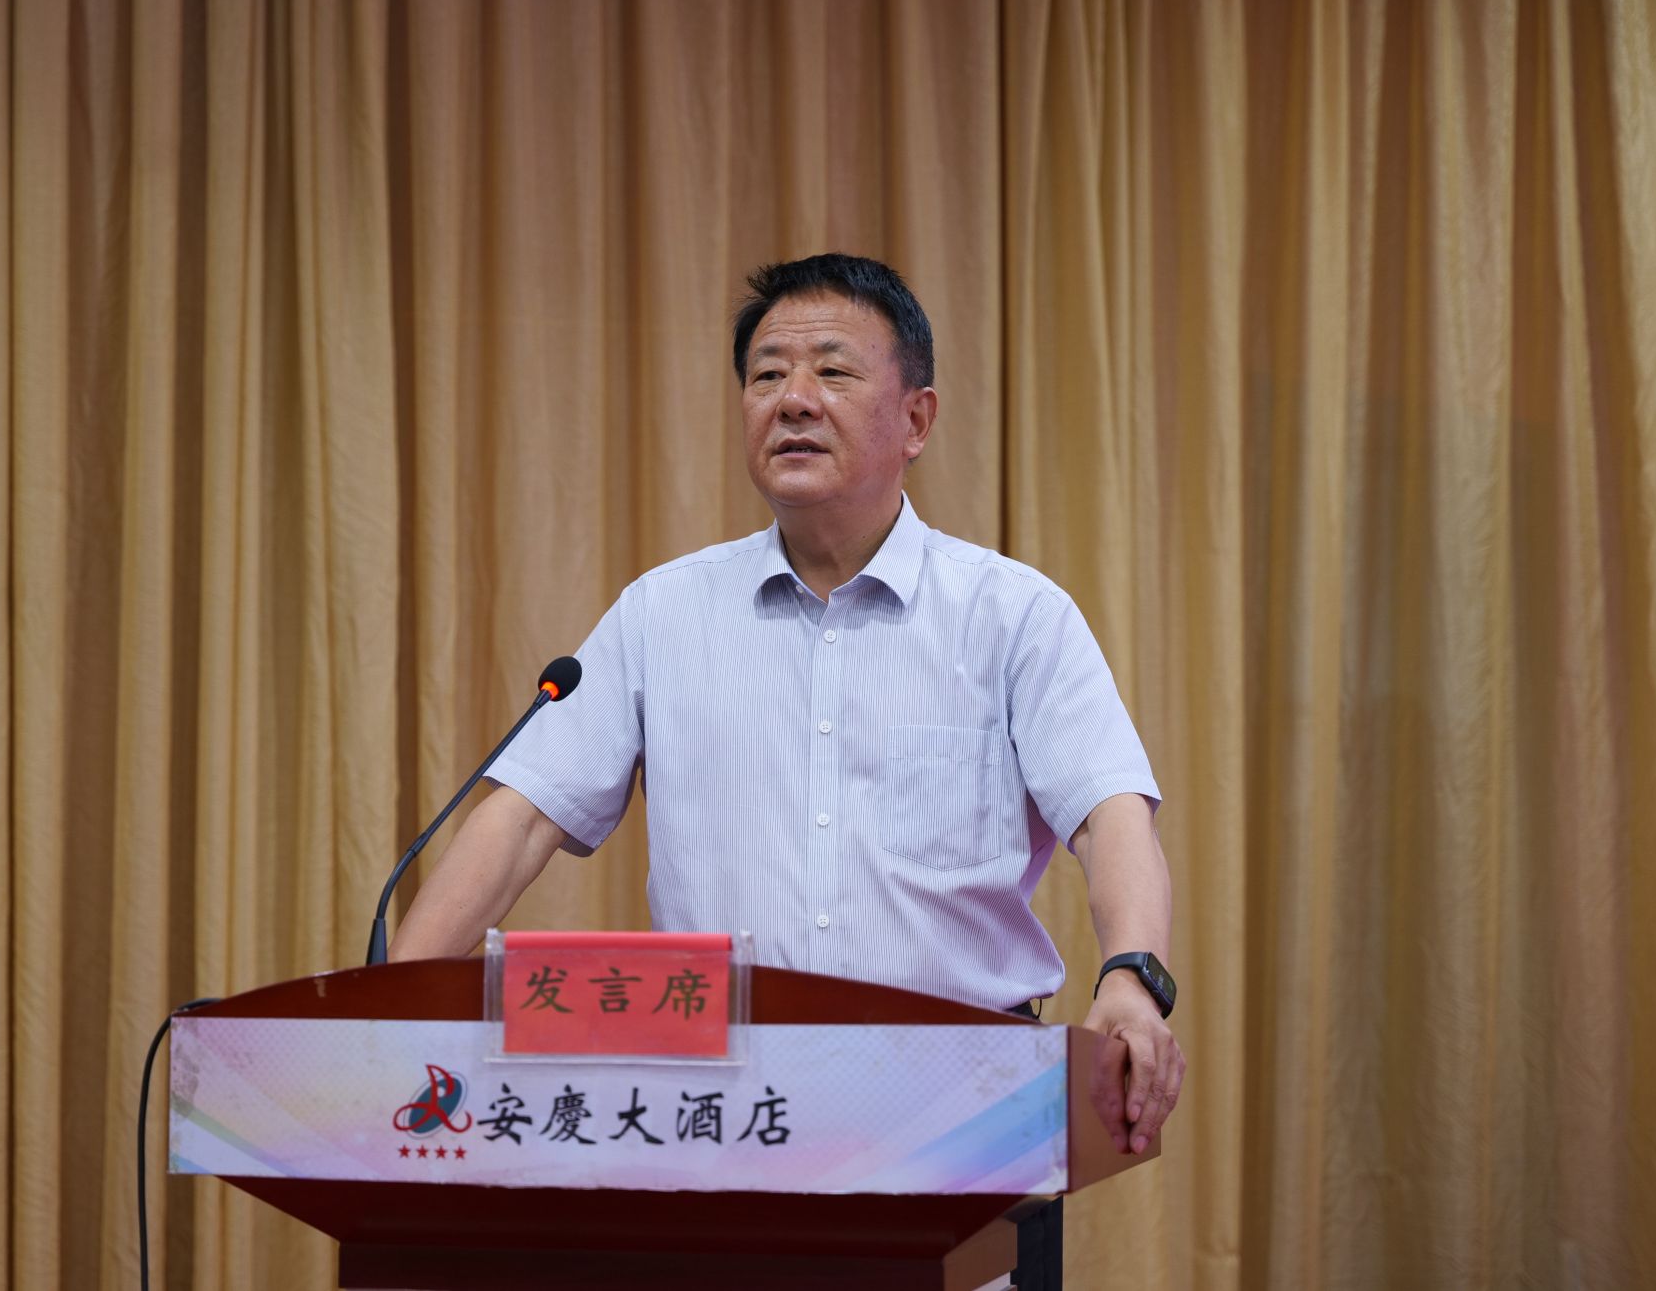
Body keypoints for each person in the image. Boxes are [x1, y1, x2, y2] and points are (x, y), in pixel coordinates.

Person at [393, 253, 1185, 1156]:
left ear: (916, 419)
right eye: (767, 375)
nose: (794, 400)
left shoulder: (1013, 615)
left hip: (959, 1105)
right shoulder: (664, 612)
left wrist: (1132, 977)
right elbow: (525, 818)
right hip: (717, 1112)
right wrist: (389, 1002)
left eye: (833, 372)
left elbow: (1111, 815)